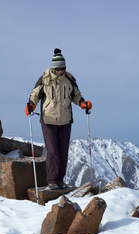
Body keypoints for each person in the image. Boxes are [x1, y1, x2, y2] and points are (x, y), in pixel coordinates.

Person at [25, 48, 92, 190]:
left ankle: (60, 180)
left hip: (65, 121)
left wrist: (83, 104)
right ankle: (52, 181)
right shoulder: (44, 79)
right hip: (48, 121)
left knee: (63, 152)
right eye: (58, 69)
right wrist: (31, 105)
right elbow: (34, 95)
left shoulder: (69, 79)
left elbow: (76, 96)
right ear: (54, 68)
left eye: (63, 68)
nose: (61, 71)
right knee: (53, 152)